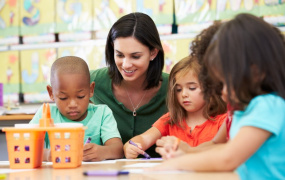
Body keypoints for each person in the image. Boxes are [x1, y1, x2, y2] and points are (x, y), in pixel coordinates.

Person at [152, 13, 285, 180]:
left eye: (225, 83)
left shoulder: (268, 106)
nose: (221, 92)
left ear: (256, 72)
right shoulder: (244, 110)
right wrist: (186, 153)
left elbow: (228, 157)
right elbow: (223, 149)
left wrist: (178, 163)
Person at [90, 12, 169, 157]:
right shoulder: (92, 81)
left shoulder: (174, 87)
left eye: (135, 56)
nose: (126, 65)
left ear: (153, 53)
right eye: (119, 55)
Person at [124, 56, 227, 159]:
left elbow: (225, 152)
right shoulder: (170, 119)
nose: (184, 94)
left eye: (192, 88)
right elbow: (143, 139)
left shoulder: (224, 121)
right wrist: (130, 146)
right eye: (178, 89)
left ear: (211, 88)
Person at [155, 21, 228, 159]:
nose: (217, 90)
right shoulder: (234, 112)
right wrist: (186, 151)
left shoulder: (263, 107)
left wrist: (184, 155)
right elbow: (215, 143)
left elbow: (229, 157)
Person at [30, 56, 123, 162]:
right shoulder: (46, 113)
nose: (73, 104)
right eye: (63, 98)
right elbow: (26, 146)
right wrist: (47, 155)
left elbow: (118, 150)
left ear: (91, 90)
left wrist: (102, 152)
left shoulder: (102, 113)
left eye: (80, 96)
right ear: (51, 93)